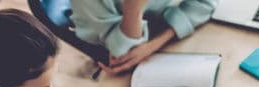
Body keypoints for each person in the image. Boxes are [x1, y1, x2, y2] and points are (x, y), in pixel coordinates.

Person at [71, 0, 217, 74]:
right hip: (110, 38)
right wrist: (134, 6)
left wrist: (153, 44)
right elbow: (125, 54)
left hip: (155, 30)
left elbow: (205, 3)